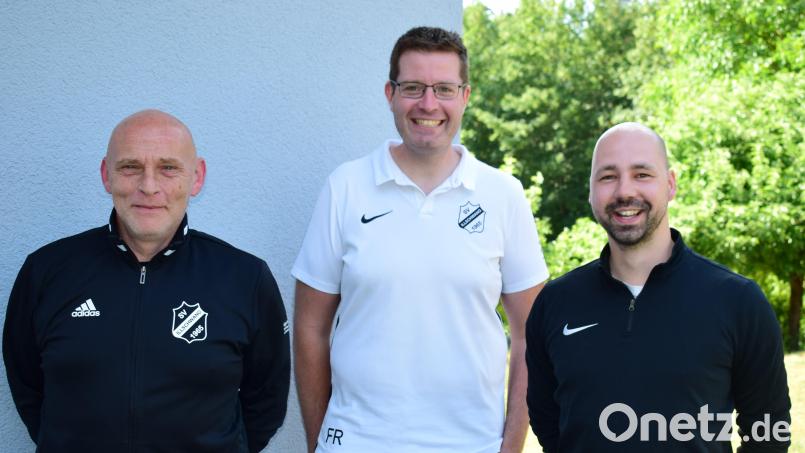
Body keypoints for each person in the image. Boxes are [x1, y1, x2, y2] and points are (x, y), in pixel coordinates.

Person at [292, 26, 549, 453]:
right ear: (390, 93)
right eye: (413, 87)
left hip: (471, 444)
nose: (428, 104)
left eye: (444, 89)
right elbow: (310, 328)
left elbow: (530, 335)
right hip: (358, 443)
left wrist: (510, 447)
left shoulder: (503, 194)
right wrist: (323, 443)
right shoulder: (346, 187)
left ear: (465, 96)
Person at [3, 110, 290, 453]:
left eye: (168, 168)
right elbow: (28, 386)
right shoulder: (46, 272)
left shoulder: (245, 278)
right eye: (130, 167)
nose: (149, 186)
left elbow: (266, 401)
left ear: (196, 178)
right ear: (106, 176)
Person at [525, 122, 791, 452]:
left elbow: (769, 430)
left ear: (671, 184)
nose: (625, 191)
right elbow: (547, 420)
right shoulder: (555, 303)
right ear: (591, 190)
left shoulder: (737, 301)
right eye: (608, 176)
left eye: (642, 174)